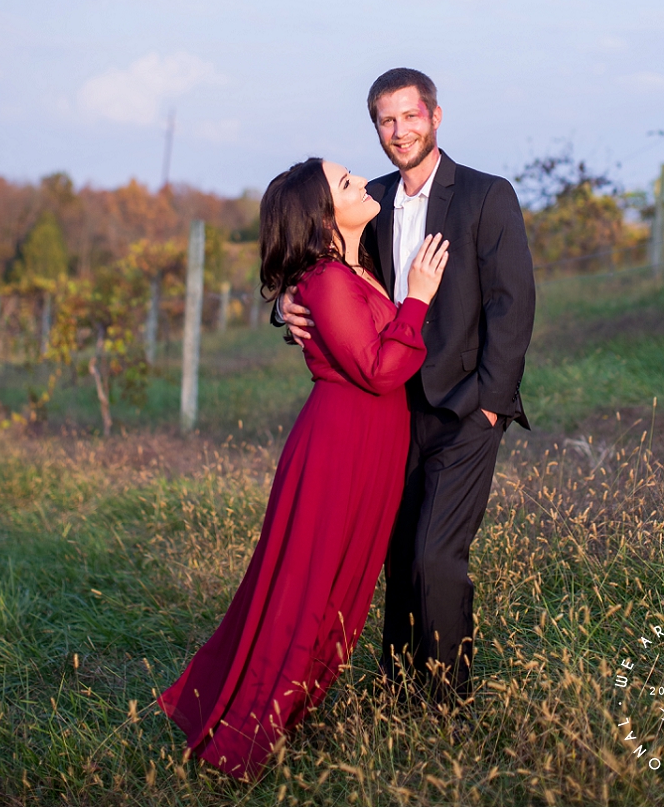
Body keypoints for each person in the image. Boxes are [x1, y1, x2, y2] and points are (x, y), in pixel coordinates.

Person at [158, 156, 449, 780]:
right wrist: (419, 300)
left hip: (371, 446)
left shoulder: (352, 265)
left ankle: (285, 710)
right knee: (305, 587)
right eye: (346, 184)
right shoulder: (325, 279)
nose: (363, 183)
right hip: (338, 448)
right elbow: (378, 369)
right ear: (322, 215)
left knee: (341, 587)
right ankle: (244, 736)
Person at [280, 68, 535, 701]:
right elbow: (320, 268)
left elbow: (513, 305)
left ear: (436, 116)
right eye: (386, 121)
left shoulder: (485, 196)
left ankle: (446, 701)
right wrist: (283, 306)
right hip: (387, 412)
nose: (400, 131)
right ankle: (399, 692)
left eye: (410, 116)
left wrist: (490, 410)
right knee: (396, 557)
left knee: (434, 556)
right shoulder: (367, 201)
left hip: (464, 411)